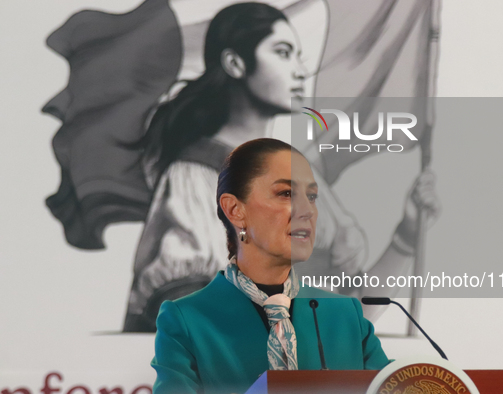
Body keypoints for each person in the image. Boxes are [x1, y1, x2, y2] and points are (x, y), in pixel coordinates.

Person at [125, 1, 440, 332]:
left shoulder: (301, 176)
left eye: (297, 55)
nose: (300, 70)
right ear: (235, 63)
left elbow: (349, 322)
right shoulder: (196, 176)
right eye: (282, 52)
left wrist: (406, 235)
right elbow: (193, 327)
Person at [151, 138, 390, 394]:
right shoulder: (186, 320)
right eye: (286, 193)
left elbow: (396, 386)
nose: (307, 210)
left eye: (312, 196)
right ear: (235, 210)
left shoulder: (346, 316)